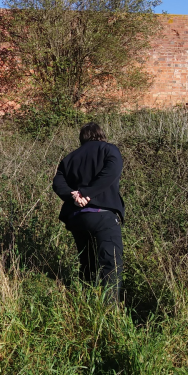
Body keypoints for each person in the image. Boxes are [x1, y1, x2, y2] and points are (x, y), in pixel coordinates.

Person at [52, 122, 125, 302]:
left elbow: (58, 183)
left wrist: (74, 197)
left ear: (81, 138)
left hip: (77, 218)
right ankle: (110, 312)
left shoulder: (69, 158)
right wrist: (86, 193)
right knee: (111, 264)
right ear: (101, 135)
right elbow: (111, 172)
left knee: (88, 265)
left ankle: (86, 305)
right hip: (103, 216)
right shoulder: (109, 150)